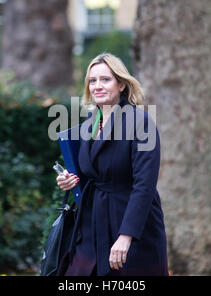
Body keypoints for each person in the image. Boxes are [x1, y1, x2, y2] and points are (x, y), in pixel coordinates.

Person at [56, 53, 168, 276]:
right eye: (92, 80)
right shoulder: (88, 124)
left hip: (131, 227)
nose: (97, 86)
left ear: (122, 85)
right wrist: (70, 180)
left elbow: (144, 186)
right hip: (90, 225)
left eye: (105, 79)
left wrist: (126, 236)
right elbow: (90, 174)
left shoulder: (141, 122)